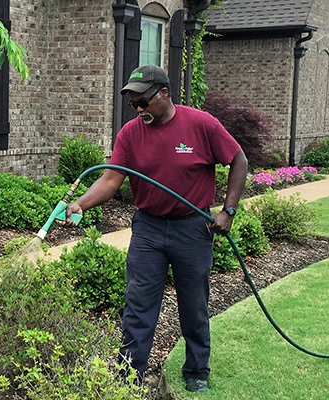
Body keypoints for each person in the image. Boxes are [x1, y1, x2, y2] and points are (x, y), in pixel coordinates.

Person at [64, 65, 247, 393]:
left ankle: (197, 370)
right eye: (133, 104)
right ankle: (128, 372)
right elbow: (110, 178)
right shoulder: (131, 133)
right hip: (148, 228)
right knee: (138, 303)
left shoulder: (201, 124)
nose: (138, 110)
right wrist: (81, 204)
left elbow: (238, 159)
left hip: (192, 229)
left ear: (164, 93)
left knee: (194, 304)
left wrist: (228, 210)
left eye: (143, 102)